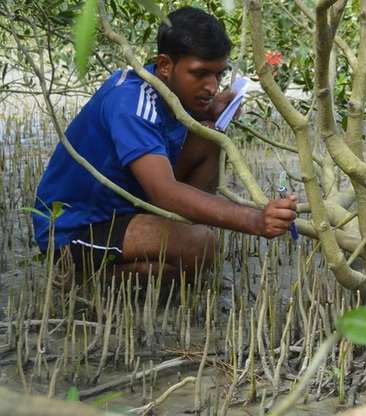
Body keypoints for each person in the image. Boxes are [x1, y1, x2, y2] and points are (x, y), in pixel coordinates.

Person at [32, 7, 296, 278]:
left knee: (210, 138)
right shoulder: (130, 102)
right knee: (198, 246)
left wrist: (208, 110)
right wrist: (255, 219)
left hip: (127, 208)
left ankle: (171, 237)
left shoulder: (168, 91)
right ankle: (77, 271)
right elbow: (164, 192)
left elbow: (176, 121)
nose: (212, 87)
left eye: (217, 75)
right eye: (200, 73)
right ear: (165, 66)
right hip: (75, 229)